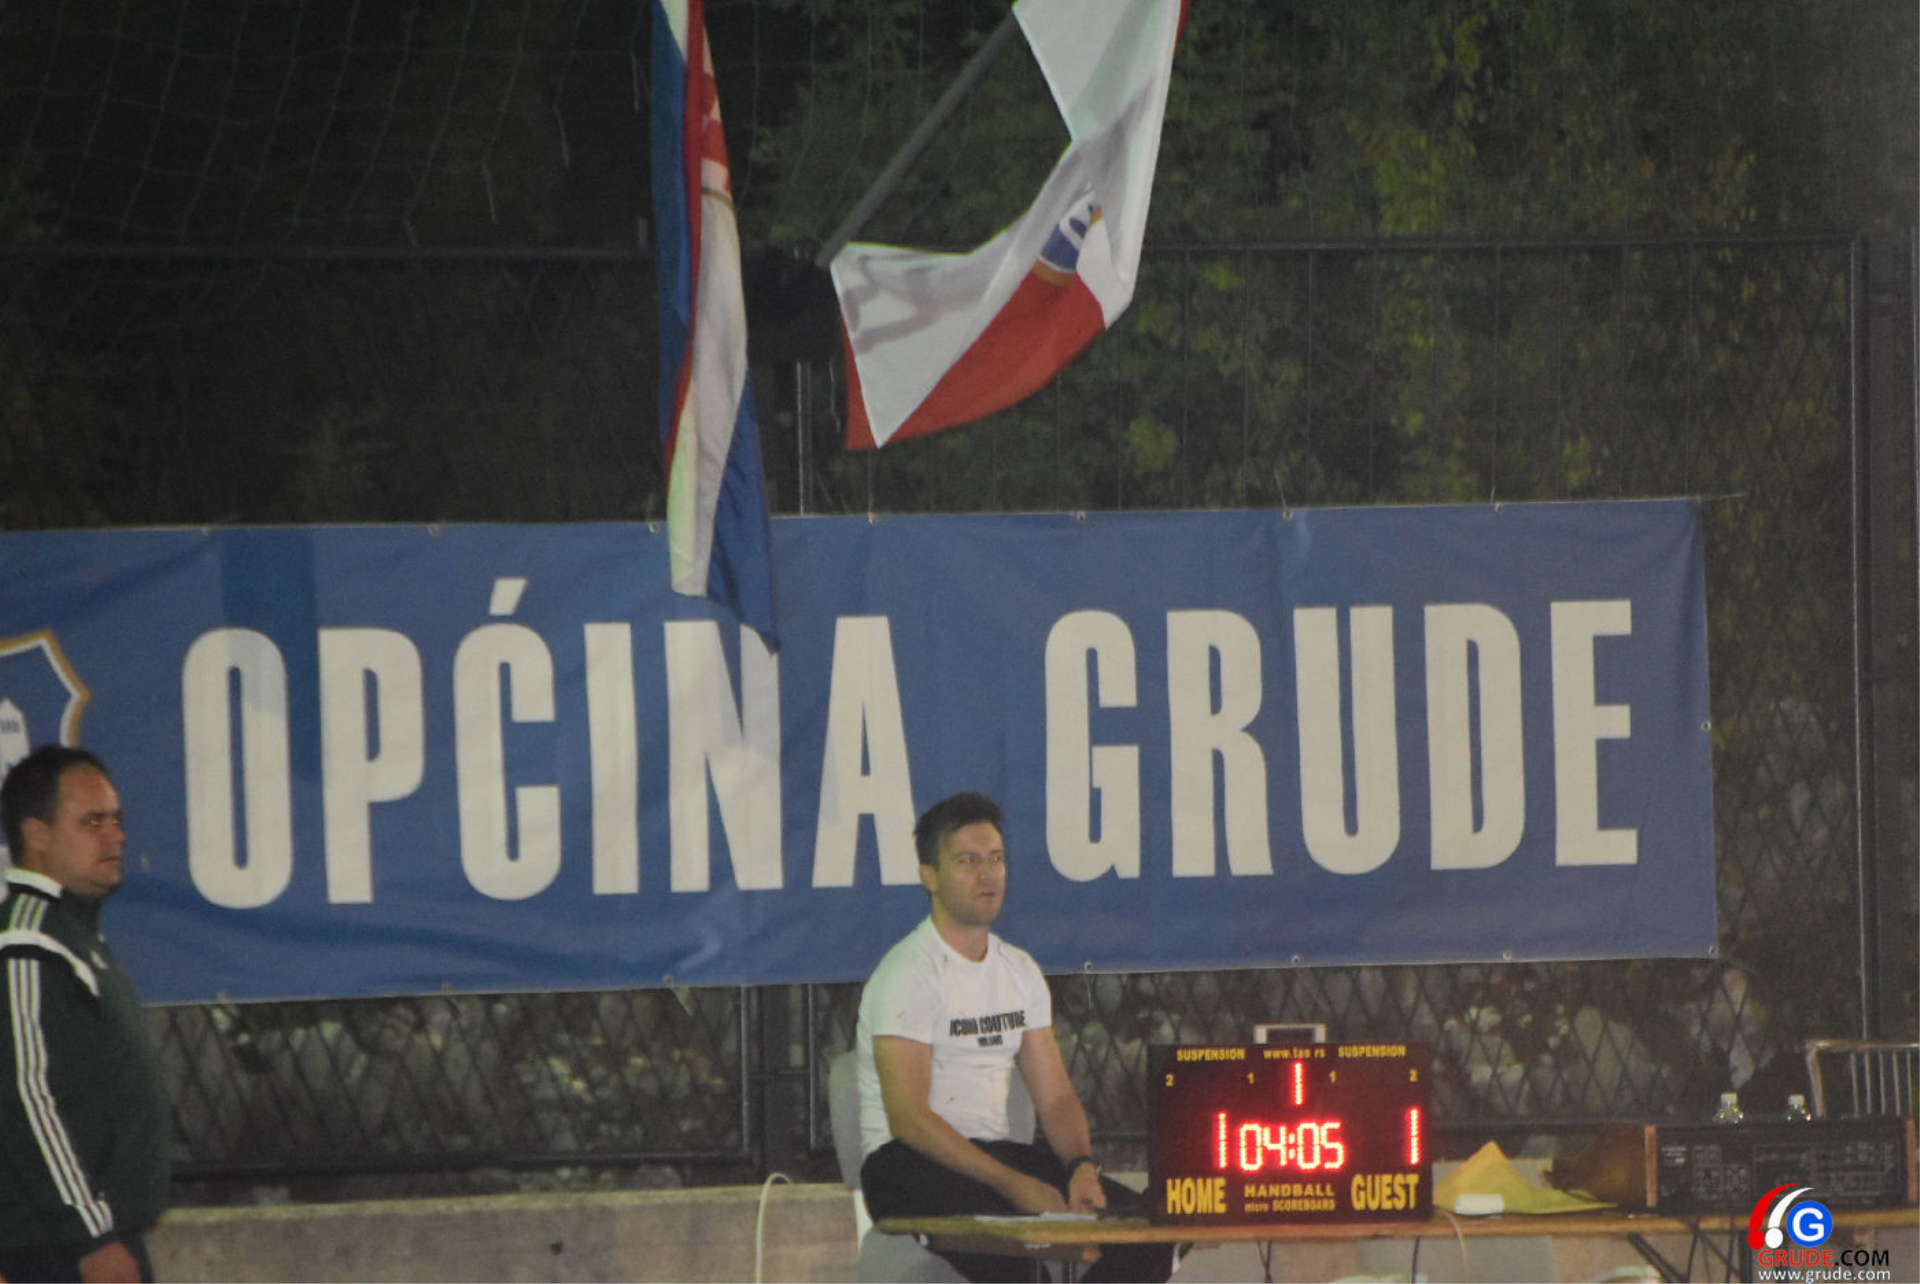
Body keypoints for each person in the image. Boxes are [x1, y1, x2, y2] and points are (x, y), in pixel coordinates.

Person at [854, 791, 1179, 1284]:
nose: (987, 875)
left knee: (1151, 1237)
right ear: (929, 875)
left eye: (996, 859)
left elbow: (1056, 1098)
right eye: (968, 861)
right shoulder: (907, 973)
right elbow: (909, 1119)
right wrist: (1012, 1185)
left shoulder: (1019, 970)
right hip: (906, 1164)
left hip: (993, 1154)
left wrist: (1080, 1166)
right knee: (1017, 1259)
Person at [0, 747, 170, 1284]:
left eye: (117, 820)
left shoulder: (70, 932)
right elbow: (25, 1095)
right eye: (92, 821)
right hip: (59, 1248)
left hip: (91, 1236)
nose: (115, 837)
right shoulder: (26, 940)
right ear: (37, 833)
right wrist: (90, 1237)